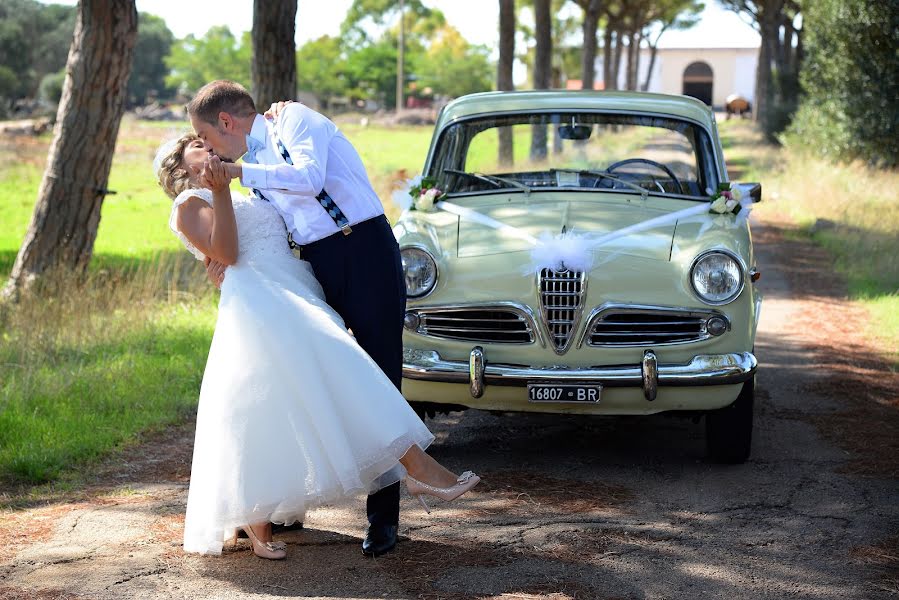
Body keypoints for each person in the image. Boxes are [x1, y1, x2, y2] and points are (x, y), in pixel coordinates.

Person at [155, 134, 481, 560]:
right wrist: (218, 196)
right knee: (327, 382)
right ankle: (416, 469)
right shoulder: (188, 205)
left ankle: (264, 520)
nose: (210, 147)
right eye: (198, 146)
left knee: (291, 398)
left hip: (296, 290)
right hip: (263, 303)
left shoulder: (248, 192)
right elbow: (230, 254)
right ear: (181, 168)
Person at [187, 80, 410, 557]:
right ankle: (285, 502)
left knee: (378, 375)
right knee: (302, 374)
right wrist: (223, 259)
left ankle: (382, 518)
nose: (207, 149)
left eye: (206, 138)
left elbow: (308, 178)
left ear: (226, 123)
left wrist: (237, 170)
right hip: (312, 264)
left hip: (364, 250)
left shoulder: (294, 121)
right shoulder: (251, 167)